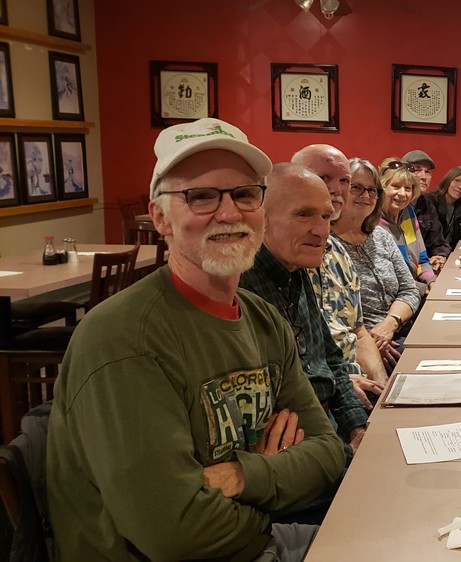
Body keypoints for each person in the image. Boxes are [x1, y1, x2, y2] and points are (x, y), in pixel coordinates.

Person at [47, 118, 345, 561]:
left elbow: (328, 454)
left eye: (245, 194)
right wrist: (273, 489)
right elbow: (174, 531)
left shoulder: (263, 318)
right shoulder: (122, 338)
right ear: (160, 218)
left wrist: (245, 476)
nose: (229, 213)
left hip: (254, 539)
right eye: (201, 196)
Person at [239, 163, 371, 451]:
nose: (322, 230)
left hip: (327, 429)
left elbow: (331, 359)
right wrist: (343, 452)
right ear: (261, 219)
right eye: (303, 215)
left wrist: (358, 428)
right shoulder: (241, 288)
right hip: (300, 447)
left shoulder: (296, 270)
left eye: (326, 216)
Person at [296, 151, 391, 388]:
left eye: (344, 181)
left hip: (355, 378)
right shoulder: (281, 258)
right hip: (325, 389)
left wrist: (383, 384)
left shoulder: (337, 251)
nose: (336, 189)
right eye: (324, 178)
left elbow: (358, 332)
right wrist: (342, 385)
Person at [331, 158, 422, 370]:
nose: (366, 196)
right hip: (359, 348)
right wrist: (370, 343)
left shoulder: (380, 235)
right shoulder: (325, 244)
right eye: (357, 187)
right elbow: (332, 316)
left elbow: (409, 289)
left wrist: (389, 324)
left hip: (398, 330)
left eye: (372, 190)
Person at [379, 158, 437, 288]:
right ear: (383, 187)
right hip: (396, 294)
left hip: (415, 288)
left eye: (407, 188)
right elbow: (388, 278)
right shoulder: (373, 223)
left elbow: (422, 260)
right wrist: (423, 289)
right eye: (396, 186)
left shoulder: (408, 212)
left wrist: (432, 281)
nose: (402, 193)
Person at [402, 149, 451, 269]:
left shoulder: (427, 204)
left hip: (424, 268)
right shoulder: (396, 204)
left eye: (427, 172)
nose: (423, 177)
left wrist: (440, 256)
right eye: (417, 170)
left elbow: (438, 242)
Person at [423, 165, 461, 248]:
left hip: (449, 252)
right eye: (457, 180)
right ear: (448, 181)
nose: (460, 187)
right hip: (433, 253)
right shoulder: (430, 201)